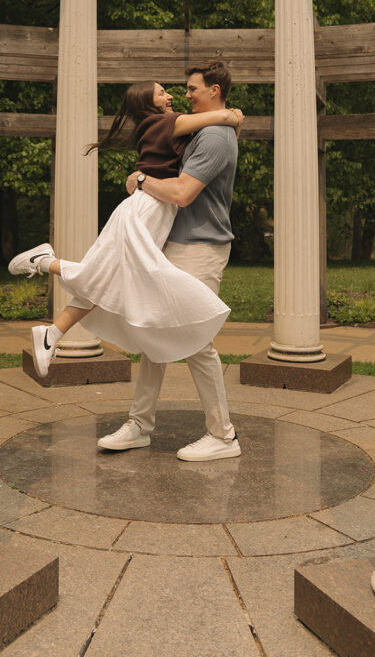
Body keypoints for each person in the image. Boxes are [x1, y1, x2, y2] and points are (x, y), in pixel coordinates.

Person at [8, 79, 243, 385]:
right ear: (149, 102)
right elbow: (221, 118)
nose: (172, 95)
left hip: (156, 209)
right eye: (162, 92)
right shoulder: (160, 123)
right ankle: (44, 262)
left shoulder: (162, 124)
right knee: (103, 275)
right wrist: (233, 115)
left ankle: (51, 333)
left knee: (108, 278)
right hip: (147, 209)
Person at [97, 60, 242, 463]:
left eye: (193, 88)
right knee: (153, 334)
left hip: (200, 247)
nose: (185, 94)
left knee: (196, 342)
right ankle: (139, 426)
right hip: (174, 243)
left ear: (214, 90)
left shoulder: (214, 136)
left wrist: (141, 180)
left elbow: (181, 193)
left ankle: (223, 436)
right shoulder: (201, 130)